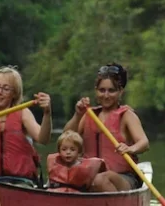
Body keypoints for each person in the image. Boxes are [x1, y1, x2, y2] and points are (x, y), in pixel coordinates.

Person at [61, 63, 148, 193]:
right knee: (75, 179)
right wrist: (78, 114)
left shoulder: (127, 116)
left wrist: (130, 149)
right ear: (96, 91)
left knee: (100, 179)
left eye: (111, 90)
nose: (106, 95)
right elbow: (66, 137)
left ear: (120, 92)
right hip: (89, 177)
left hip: (122, 178)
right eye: (102, 90)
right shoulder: (88, 114)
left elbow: (144, 143)